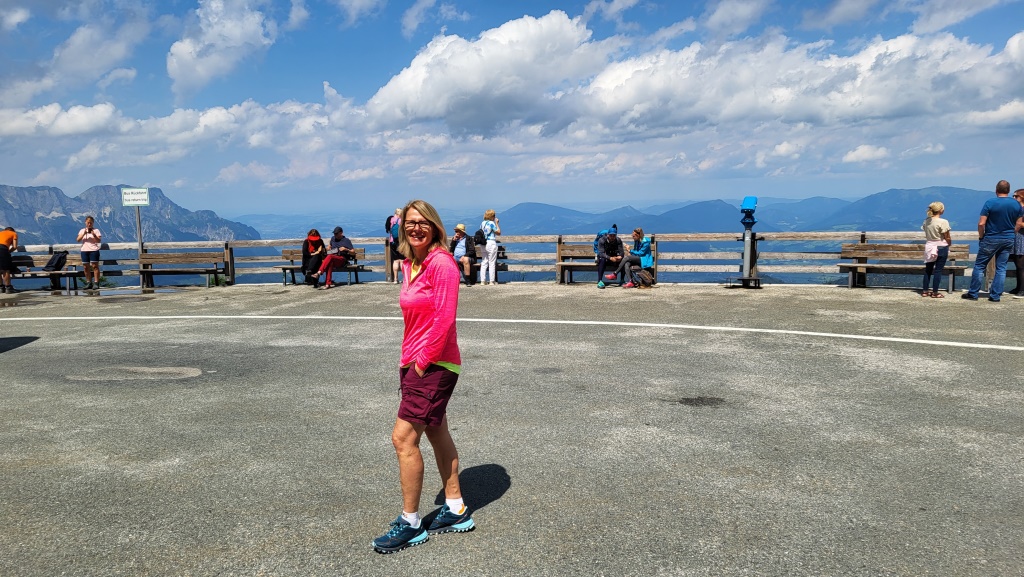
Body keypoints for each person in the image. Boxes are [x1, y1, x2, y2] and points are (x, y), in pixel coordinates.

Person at [372, 199, 474, 554]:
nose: (416, 228)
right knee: (436, 431)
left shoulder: (442, 264)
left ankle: (411, 523)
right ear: (402, 227)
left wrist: (421, 362)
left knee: (402, 440)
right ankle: (457, 508)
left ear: (435, 227)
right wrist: (408, 362)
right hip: (414, 362)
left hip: (433, 364)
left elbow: (444, 320)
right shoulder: (411, 265)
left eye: (423, 223)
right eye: (410, 222)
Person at [962, 180, 1024, 302]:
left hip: (991, 238)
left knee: (979, 266)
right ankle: (995, 295)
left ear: (996, 190)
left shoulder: (990, 202)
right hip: (1008, 239)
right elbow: (1018, 223)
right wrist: (1012, 233)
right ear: (1008, 190)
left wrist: (981, 236)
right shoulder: (1016, 205)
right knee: (1001, 268)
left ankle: (973, 293)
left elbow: (981, 223)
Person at [921, 202, 952, 298]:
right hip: (941, 247)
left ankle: (925, 291)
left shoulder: (926, 221)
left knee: (928, 270)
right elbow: (947, 236)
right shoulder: (943, 222)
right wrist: (949, 244)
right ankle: (935, 292)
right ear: (940, 210)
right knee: (938, 270)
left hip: (930, 246)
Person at [76, 216, 102, 290]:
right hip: (84, 250)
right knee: (85, 267)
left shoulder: (96, 230)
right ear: (85, 223)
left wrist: (94, 235)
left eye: (91, 223)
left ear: (93, 223)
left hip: (94, 250)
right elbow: (78, 240)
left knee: (95, 266)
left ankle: (96, 282)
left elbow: (98, 241)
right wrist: (84, 234)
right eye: (88, 223)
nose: (89, 224)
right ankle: (88, 282)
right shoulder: (82, 231)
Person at [596, 224, 624, 289]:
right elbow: (601, 253)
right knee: (602, 259)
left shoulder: (618, 240)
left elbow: (621, 252)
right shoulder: (602, 240)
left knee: (624, 260)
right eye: (611, 235)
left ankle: (622, 280)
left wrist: (619, 257)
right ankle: (599, 281)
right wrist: (610, 258)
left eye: (614, 235)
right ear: (608, 235)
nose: (612, 237)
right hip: (605, 258)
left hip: (615, 258)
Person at [478, 209, 501, 285]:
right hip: (491, 243)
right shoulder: (491, 223)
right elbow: (498, 232)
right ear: (492, 216)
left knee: (484, 261)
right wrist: (497, 223)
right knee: (491, 262)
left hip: (483, 243)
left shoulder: (482, 223)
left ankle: (482, 280)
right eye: (494, 215)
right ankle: (491, 281)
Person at [1010, 189, 1024, 299]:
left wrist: (1017, 226)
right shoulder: (1018, 209)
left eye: (1016, 196)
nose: (1014, 198)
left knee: (1021, 265)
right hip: (1017, 238)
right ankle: (1018, 287)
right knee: (1017, 264)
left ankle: (1022, 289)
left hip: (1021, 238)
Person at [386, 208, 403, 284]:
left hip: (392, 242)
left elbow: (388, 229)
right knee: (402, 261)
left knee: (395, 261)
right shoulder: (401, 221)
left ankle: (395, 279)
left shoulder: (390, 219)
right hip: (402, 242)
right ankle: (404, 279)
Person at [0, 226, 17, 294]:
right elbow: (15, 247)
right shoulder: (13, 234)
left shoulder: (0, 233)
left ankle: (0, 288)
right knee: (5, 270)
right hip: (3, 250)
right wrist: (8, 251)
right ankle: (8, 288)